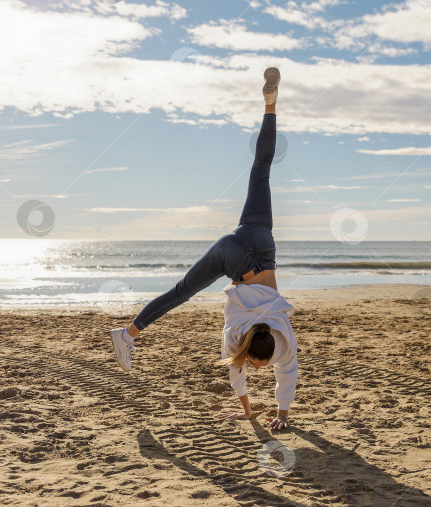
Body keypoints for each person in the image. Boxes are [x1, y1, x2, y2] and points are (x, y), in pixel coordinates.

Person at [110, 68, 297, 431]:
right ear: (254, 353)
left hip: (259, 237)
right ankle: (127, 335)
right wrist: (276, 414)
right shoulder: (236, 336)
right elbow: (241, 375)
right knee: (183, 291)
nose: (256, 369)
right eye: (259, 366)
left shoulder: (283, 335)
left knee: (262, 169)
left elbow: (282, 372)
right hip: (236, 258)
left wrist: (265, 412)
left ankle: (270, 105)